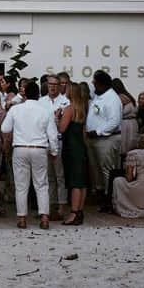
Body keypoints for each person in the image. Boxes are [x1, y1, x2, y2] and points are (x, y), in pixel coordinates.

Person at [0, 79, 59, 229]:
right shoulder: (45, 110)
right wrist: (54, 151)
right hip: (39, 148)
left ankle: (22, 219)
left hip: (20, 148)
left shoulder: (16, 109)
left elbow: (5, 129)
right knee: (41, 184)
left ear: (25, 94)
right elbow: (52, 135)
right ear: (39, 94)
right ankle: (44, 218)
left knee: (21, 186)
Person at [86, 70, 123, 210]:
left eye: (95, 83)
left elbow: (114, 122)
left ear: (101, 84)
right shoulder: (99, 96)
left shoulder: (112, 98)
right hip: (95, 139)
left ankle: (110, 198)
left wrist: (98, 132)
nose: (93, 85)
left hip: (107, 139)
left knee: (107, 170)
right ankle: (100, 193)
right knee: (97, 170)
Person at [111, 129, 144, 219]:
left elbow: (129, 178)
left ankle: (129, 206)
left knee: (118, 181)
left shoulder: (133, 154)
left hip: (143, 185)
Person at [39, 74, 70, 220]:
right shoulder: (41, 101)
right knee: (48, 176)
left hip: (59, 140)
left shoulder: (65, 102)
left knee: (60, 175)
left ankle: (62, 205)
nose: (52, 87)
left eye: (55, 84)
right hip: (44, 141)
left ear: (60, 86)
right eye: (50, 84)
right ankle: (50, 205)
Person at [60, 83, 89, 225]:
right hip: (80, 146)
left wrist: (56, 117)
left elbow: (62, 128)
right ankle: (80, 211)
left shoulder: (69, 109)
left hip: (71, 147)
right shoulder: (82, 109)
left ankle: (73, 212)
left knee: (75, 181)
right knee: (82, 181)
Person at [111, 78, 139, 162]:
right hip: (133, 123)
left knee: (124, 148)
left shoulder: (119, 97)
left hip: (125, 124)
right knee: (131, 146)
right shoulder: (128, 96)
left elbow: (118, 113)